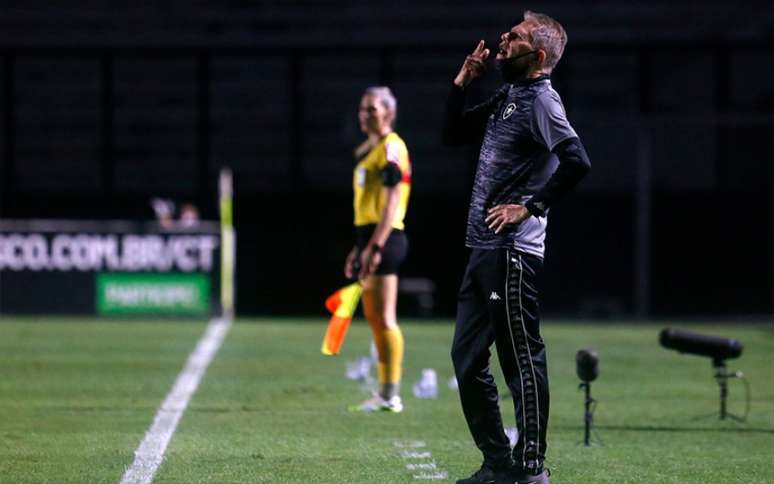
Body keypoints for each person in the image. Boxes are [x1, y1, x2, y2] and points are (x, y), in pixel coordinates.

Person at [442, 11, 591, 484]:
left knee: (520, 361)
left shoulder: (543, 101)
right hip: (483, 248)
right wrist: (461, 83)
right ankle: (498, 463)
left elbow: (577, 160)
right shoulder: (509, 94)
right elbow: (452, 134)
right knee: (466, 361)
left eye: (518, 37)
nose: (504, 39)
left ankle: (531, 470)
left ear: (539, 56)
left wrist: (531, 207)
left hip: (512, 253)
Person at [346, 86, 412, 413]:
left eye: (372, 109)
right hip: (369, 238)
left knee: (385, 318)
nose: (365, 114)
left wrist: (374, 246)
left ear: (388, 112)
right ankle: (385, 393)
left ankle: (391, 394)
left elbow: (391, 205)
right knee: (374, 318)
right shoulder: (368, 150)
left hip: (386, 237)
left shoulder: (391, 148)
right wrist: (358, 247)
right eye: (363, 108)